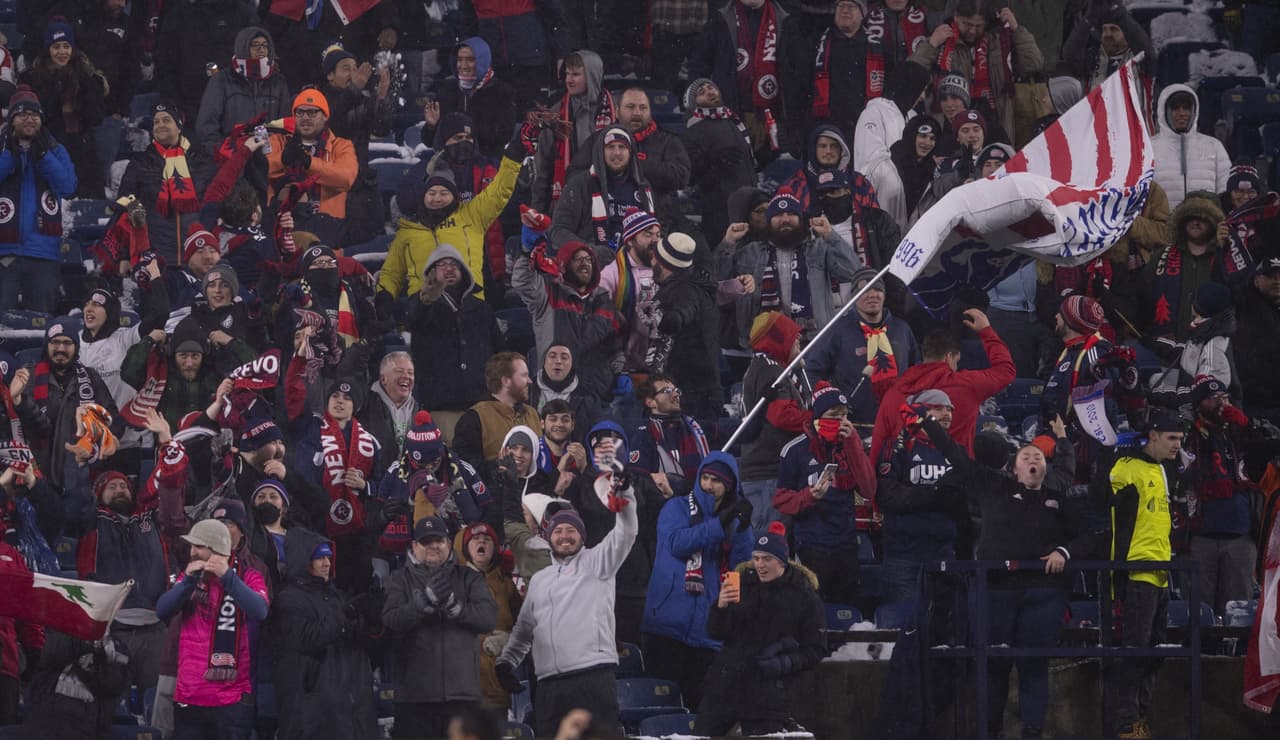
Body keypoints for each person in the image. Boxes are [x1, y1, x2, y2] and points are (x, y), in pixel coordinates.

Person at [929, 414, 1104, 739]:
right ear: (1014, 467)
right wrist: (930, 426)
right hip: (997, 590)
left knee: (1033, 664)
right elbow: (958, 458)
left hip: (1043, 594)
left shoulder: (1059, 498)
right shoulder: (994, 487)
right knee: (994, 664)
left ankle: (1032, 733)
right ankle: (989, 731)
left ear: (1046, 467)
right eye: (1027, 457)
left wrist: (1064, 552)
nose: (1033, 459)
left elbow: (1089, 537)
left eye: (1038, 456)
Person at [495, 484, 638, 737]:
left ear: (582, 536)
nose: (564, 536)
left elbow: (625, 532)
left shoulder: (598, 563)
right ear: (548, 536)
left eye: (571, 530)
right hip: (549, 684)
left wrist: (625, 495)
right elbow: (524, 630)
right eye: (558, 530)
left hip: (592, 679)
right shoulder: (540, 580)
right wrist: (507, 662)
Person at [641, 452, 755, 708]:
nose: (709, 485)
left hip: (708, 630)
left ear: (729, 486)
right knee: (661, 709)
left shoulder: (733, 518)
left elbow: (741, 566)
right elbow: (677, 544)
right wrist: (719, 525)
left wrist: (744, 528)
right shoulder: (677, 507)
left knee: (697, 713)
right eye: (705, 477)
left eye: (717, 481)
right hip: (667, 626)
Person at [693, 523, 825, 735]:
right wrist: (721, 607)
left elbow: (816, 648)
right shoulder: (741, 584)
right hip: (726, 686)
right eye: (756, 558)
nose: (760, 565)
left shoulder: (804, 595)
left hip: (769, 692)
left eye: (767, 559)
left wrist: (785, 662)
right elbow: (715, 632)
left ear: (782, 561)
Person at [382, 515, 498, 739]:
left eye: (439, 540)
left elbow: (488, 618)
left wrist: (456, 608)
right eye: (426, 542)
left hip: (462, 698)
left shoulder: (469, 578)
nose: (434, 546)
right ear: (414, 547)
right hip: (414, 699)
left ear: (448, 543)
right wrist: (421, 604)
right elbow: (391, 621)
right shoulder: (399, 579)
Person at [376, 128, 524, 300]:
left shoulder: (472, 217)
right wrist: (384, 297)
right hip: (423, 311)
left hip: (469, 307)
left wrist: (516, 151)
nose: (437, 198)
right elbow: (391, 274)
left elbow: (499, 190)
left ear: (454, 196)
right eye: (431, 193)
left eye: (444, 193)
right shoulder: (408, 231)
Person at [155, 519, 270, 740]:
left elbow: (260, 611)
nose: (192, 552)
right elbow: (162, 611)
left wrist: (228, 578)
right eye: (191, 546)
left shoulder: (248, 576)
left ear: (216, 549)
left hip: (232, 699)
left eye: (198, 546)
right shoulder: (188, 576)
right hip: (190, 694)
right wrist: (188, 581)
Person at [1109, 410, 1184, 739]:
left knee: (1154, 651)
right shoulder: (1126, 467)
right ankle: (1126, 724)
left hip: (1161, 571)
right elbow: (1103, 500)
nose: (1177, 445)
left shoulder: (1162, 470)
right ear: (1152, 435)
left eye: (1180, 440)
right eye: (1171, 438)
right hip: (1136, 570)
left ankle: (1139, 716)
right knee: (1136, 650)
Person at [271, 527, 379, 740]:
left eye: (328, 557)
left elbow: (364, 645)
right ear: (302, 560)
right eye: (319, 558)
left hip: (353, 709)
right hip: (313, 715)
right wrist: (346, 616)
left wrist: (373, 623)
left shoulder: (339, 597)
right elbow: (307, 639)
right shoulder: (287, 599)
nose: (327, 563)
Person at [718, 188, 861, 347]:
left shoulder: (819, 248)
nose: (785, 219)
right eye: (778, 215)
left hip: (814, 341)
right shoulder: (750, 252)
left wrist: (830, 235)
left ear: (801, 219)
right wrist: (728, 243)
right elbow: (719, 283)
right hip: (766, 341)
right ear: (769, 221)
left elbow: (853, 272)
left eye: (791, 214)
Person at [775, 383, 876, 604]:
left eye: (844, 415)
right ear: (818, 416)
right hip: (811, 545)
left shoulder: (851, 445)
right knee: (813, 609)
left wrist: (854, 445)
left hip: (846, 544)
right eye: (833, 415)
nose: (840, 421)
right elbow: (781, 501)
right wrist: (809, 496)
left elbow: (869, 489)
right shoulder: (794, 450)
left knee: (847, 611)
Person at [870, 311, 1014, 461]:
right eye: (956, 362)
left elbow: (879, 443)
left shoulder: (895, 392)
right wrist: (986, 332)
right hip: (956, 478)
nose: (956, 367)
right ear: (948, 357)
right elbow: (1006, 372)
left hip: (907, 479)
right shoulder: (967, 385)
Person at [909, 0, 1043, 146]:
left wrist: (1017, 29)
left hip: (994, 121)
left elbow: (1033, 64)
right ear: (955, 17)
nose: (972, 31)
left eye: (978, 26)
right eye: (966, 24)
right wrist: (931, 44)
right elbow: (910, 74)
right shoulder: (941, 39)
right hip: (948, 125)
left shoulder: (999, 40)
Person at [511, 233, 620, 404]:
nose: (585, 263)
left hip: (594, 393)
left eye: (588, 259)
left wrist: (618, 372)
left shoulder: (603, 300)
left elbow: (613, 346)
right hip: (552, 393)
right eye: (577, 259)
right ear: (564, 264)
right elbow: (523, 282)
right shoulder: (548, 295)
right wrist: (527, 253)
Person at [806, 266, 920, 429]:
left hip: (901, 424)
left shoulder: (902, 329)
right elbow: (813, 371)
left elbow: (917, 370)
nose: (872, 295)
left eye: (877, 289)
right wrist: (831, 405)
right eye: (864, 290)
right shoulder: (837, 331)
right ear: (854, 296)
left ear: (884, 294)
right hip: (856, 427)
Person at [12, 321, 120, 490]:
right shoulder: (27, 378)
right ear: (46, 346)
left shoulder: (90, 378)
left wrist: (108, 440)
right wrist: (17, 399)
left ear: (76, 347)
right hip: (36, 475)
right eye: (55, 342)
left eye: (67, 343)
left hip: (81, 473)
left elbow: (112, 417)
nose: (60, 348)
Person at [1183, 377, 1258, 619]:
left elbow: (1267, 450)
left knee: (1238, 609)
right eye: (1212, 399)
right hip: (1200, 536)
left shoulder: (1241, 432)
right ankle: (1200, 654)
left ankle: (1233, 655)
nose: (1220, 404)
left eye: (1224, 398)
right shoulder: (1188, 435)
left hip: (1240, 535)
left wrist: (1248, 427)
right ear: (1198, 404)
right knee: (1199, 609)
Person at [0, 86, 77, 313]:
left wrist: (43, 156)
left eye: (34, 115)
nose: (29, 119)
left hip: (43, 254)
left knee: (42, 323)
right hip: (4, 252)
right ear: (12, 119)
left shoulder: (54, 149)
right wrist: (9, 155)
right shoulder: (2, 147)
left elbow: (67, 186)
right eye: (22, 114)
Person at [406, 245, 499, 423]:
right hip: (440, 407)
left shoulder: (481, 309)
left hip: (481, 405)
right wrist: (426, 300)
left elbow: (498, 352)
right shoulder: (421, 305)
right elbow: (413, 317)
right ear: (431, 273)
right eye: (441, 264)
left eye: (454, 264)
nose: (449, 269)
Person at [689, 0, 792, 157]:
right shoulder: (719, 19)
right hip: (729, 117)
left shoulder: (786, 20)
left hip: (775, 121)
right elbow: (699, 67)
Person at [18, 19, 107, 198]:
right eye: (56, 46)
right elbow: (37, 118)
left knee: (91, 204)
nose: (62, 52)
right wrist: (57, 88)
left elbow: (96, 117)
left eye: (66, 46)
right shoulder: (32, 79)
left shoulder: (86, 77)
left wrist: (84, 88)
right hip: (48, 149)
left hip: (83, 151)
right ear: (47, 49)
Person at [117, 102, 215, 263]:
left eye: (166, 120)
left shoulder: (201, 161)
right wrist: (125, 256)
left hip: (196, 257)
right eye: (156, 122)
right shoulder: (140, 163)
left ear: (179, 126)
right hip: (156, 258)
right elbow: (125, 212)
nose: (160, 125)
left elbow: (216, 202)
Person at [740, 311, 811, 530]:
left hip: (767, 471)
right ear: (778, 338)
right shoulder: (770, 370)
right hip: (767, 473)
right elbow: (782, 416)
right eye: (792, 334)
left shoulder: (769, 367)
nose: (798, 339)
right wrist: (816, 420)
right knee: (768, 543)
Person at [569, 87, 690, 213]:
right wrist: (608, 173)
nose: (637, 113)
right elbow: (574, 174)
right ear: (616, 111)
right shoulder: (598, 140)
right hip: (606, 219)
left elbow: (682, 176)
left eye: (643, 108)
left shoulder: (667, 140)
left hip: (655, 221)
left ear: (650, 112)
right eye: (630, 107)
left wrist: (634, 164)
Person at [550, 125, 656, 256]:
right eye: (611, 147)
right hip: (591, 264)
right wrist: (590, 251)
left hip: (635, 264)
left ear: (630, 152)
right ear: (601, 151)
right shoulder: (580, 184)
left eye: (622, 147)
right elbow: (558, 231)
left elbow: (654, 230)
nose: (616, 152)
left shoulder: (643, 187)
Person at [532, 50, 615, 211]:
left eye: (576, 74)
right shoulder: (556, 115)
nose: (568, 80)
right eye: (567, 74)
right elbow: (542, 168)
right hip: (568, 203)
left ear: (593, 76)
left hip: (608, 200)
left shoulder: (616, 110)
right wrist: (536, 211)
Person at [651, 233, 724, 418]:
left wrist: (664, 319)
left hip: (692, 396)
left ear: (663, 263)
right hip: (702, 389)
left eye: (655, 257)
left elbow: (681, 314)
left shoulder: (684, 291)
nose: (651, 261)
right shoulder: (696, 284)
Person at [1141, 192, 1227, 342]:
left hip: (1209, 348)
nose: (1196, 222)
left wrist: (1223, 249)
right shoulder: (1161, 256)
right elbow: (1143, 298)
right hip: (1165, 349)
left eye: (1204, 219)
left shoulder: (1225, 258)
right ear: (1182, 220)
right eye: (1191, 217)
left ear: (1214, 224)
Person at [682, 79, 757, 245]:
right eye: (701, 93)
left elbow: (749, 163)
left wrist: (770, 151)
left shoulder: (732, 120)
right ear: (694, 104)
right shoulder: (694, 130)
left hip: (749, 204)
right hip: (720, 211)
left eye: (711, 87)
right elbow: (691, 175)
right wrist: (715, 163)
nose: (709, 92)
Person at [195, 26, 290, 156]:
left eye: (264, 45)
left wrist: (278, 152)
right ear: (242, 48)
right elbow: (207, 126)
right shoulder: (222, 80)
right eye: (254, 45)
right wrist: (223, 152)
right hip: (231, 156)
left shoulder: (278, 82)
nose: (261, 49)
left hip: (269, 157)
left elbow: (286, 124)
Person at [266, 89, 359, 222]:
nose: (305, 118)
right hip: (279, 221)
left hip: (324, 226)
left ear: (325, 116)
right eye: (300, 112)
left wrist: (309, 163)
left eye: (312, 112)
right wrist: (282, 159)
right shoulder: (278, 141)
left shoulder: (342, 145)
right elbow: (260, 170)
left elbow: (346, 178)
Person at [458, 521, 521, 709]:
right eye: (475, 539)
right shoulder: (454, 581)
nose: (481, 542)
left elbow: (525, 627)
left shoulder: (507, 584)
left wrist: (508, 640)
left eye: (487, 539)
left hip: (499, 684)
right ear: (466, 547)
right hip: (463, 684)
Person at [422, 37, 517, 160]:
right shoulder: (447, 90)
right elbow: (429, 141)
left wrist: (463, 129)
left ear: (482, 61)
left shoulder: (502, 92)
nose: (463, 66)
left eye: (470, 60)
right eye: (459, 60)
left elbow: (503, 135)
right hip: (449, 166)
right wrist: (432, 126)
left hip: (486, 167)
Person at [452, 352, 543, 473]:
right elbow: (465, 466)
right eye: (524, 376)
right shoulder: (474, 418)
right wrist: (498, 467)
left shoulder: (533, 414)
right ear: (506, 381)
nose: (530, 381)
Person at [598, 208, 662, 373]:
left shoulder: (667, 269)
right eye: (648, 235)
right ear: (630, 241)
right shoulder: (610, 275)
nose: (656, 240)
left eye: (658, 234)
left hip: (661, 361)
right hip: (623, 365)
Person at [630, 374, 711, 501]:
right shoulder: (644, 437)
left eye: (676, 390)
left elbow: (740, 430)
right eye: (666, 391)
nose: (675, 395)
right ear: (650, 402)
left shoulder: (695, 427)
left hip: (702, 502)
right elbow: (639, 484)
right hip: (665, 509)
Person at [1151, 86, 1231, 210]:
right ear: (1164, 111)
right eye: (1175, 108)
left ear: (1194, 111)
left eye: (1187, 108)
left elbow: (1226, 192)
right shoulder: (1148, 149)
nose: (1182, 113)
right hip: (1161, 226)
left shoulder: (1214, 146)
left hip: (1205, 225)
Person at [319, 43, 392, 167]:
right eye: (346, 69)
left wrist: (381, 97)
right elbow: (332, 123)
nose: (353, 74)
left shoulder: (363, 100)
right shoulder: (319, 98)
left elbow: (381, 130)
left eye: (354, 69)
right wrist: (354, 90)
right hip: (328, 171)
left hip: (359, 175)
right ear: (330, 75)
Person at [1062, 2, 1155, 92]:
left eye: (1114, 29)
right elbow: (1070, 55)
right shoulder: (1093, 59)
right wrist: (1089, 19)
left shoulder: (1136, 60)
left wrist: (1122, 16)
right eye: (1104, 30)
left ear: (1126, 35)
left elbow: (1148, 53)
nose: (1108, 34)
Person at [1235, 256, 1280, 426]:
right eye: (1270, 276)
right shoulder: (1244, 305)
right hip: (1253, 402)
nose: (1277, 281)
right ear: (1256, 281)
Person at [359, 351, 419, 458]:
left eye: (410, 373)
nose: (406, 376)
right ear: (383, 379)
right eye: (399, 371)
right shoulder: (365, 406)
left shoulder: (419, 411)